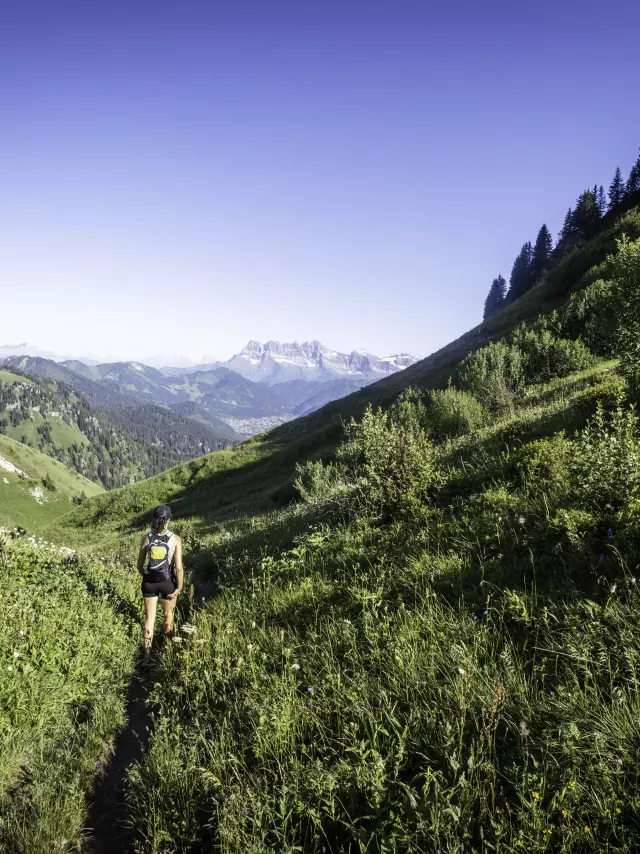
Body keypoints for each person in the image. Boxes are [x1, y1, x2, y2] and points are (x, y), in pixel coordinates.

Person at [137, 504, 183, 665]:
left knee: (149, 618)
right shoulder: (175, 539)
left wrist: (147, 576)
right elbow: (178, 567)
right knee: (168, 616)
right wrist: (179, 587)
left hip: (149, 583)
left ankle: (147, 656)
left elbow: (139, 565)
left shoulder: (147, 537)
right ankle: (166, 652)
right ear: (169, 519)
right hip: (167, 583)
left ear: (155, 519)